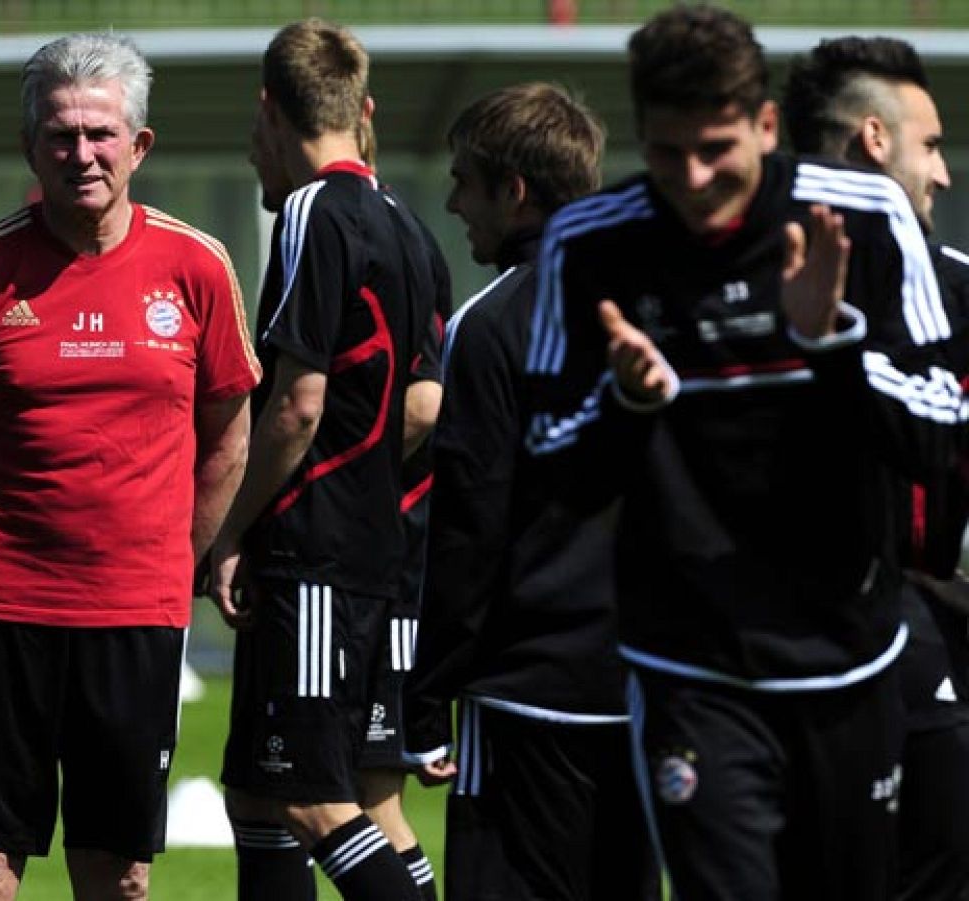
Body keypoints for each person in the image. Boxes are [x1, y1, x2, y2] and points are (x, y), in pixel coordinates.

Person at [523, 6, 967, 898]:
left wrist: (833, 344)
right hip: (692, 668)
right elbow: (547, 464)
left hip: (849, 658)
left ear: (767, 125)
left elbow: (943, 435)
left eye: (717, 148)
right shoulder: (590, 242)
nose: (691, 178)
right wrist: (626, 403)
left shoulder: (866, 214)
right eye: (664, 152)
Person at [0, 32, 259, 901]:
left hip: (136, 615)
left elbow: (231, 438)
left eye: (101, 133)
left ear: (139, 145)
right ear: (30, 146)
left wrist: (179, 557)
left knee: (118, 874)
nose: (81, 153)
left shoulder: (197, 266)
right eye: (60, 134)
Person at [205, 19, 449, 901]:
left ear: (269, 111)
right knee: (263, 797)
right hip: (374, 555)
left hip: (318, 556)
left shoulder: (316, 211)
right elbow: (424, 403)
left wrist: (233, 530)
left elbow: (297, 404)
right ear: (365, 109)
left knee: (310, 799)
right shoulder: (409, 226)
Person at [403, 82, 660, 901]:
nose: (452, 203)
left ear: (514, 192)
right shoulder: (652, 303)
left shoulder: (494, 321)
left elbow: (471, 527)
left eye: (464, 182)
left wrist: (427, 690)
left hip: (527, 697)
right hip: (645, 685)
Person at [781, 36, 969, 900]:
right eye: (931, 146)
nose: (945, 175)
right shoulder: (736, 280)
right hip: (838, 650)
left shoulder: (953, 285)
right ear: (874, 139)